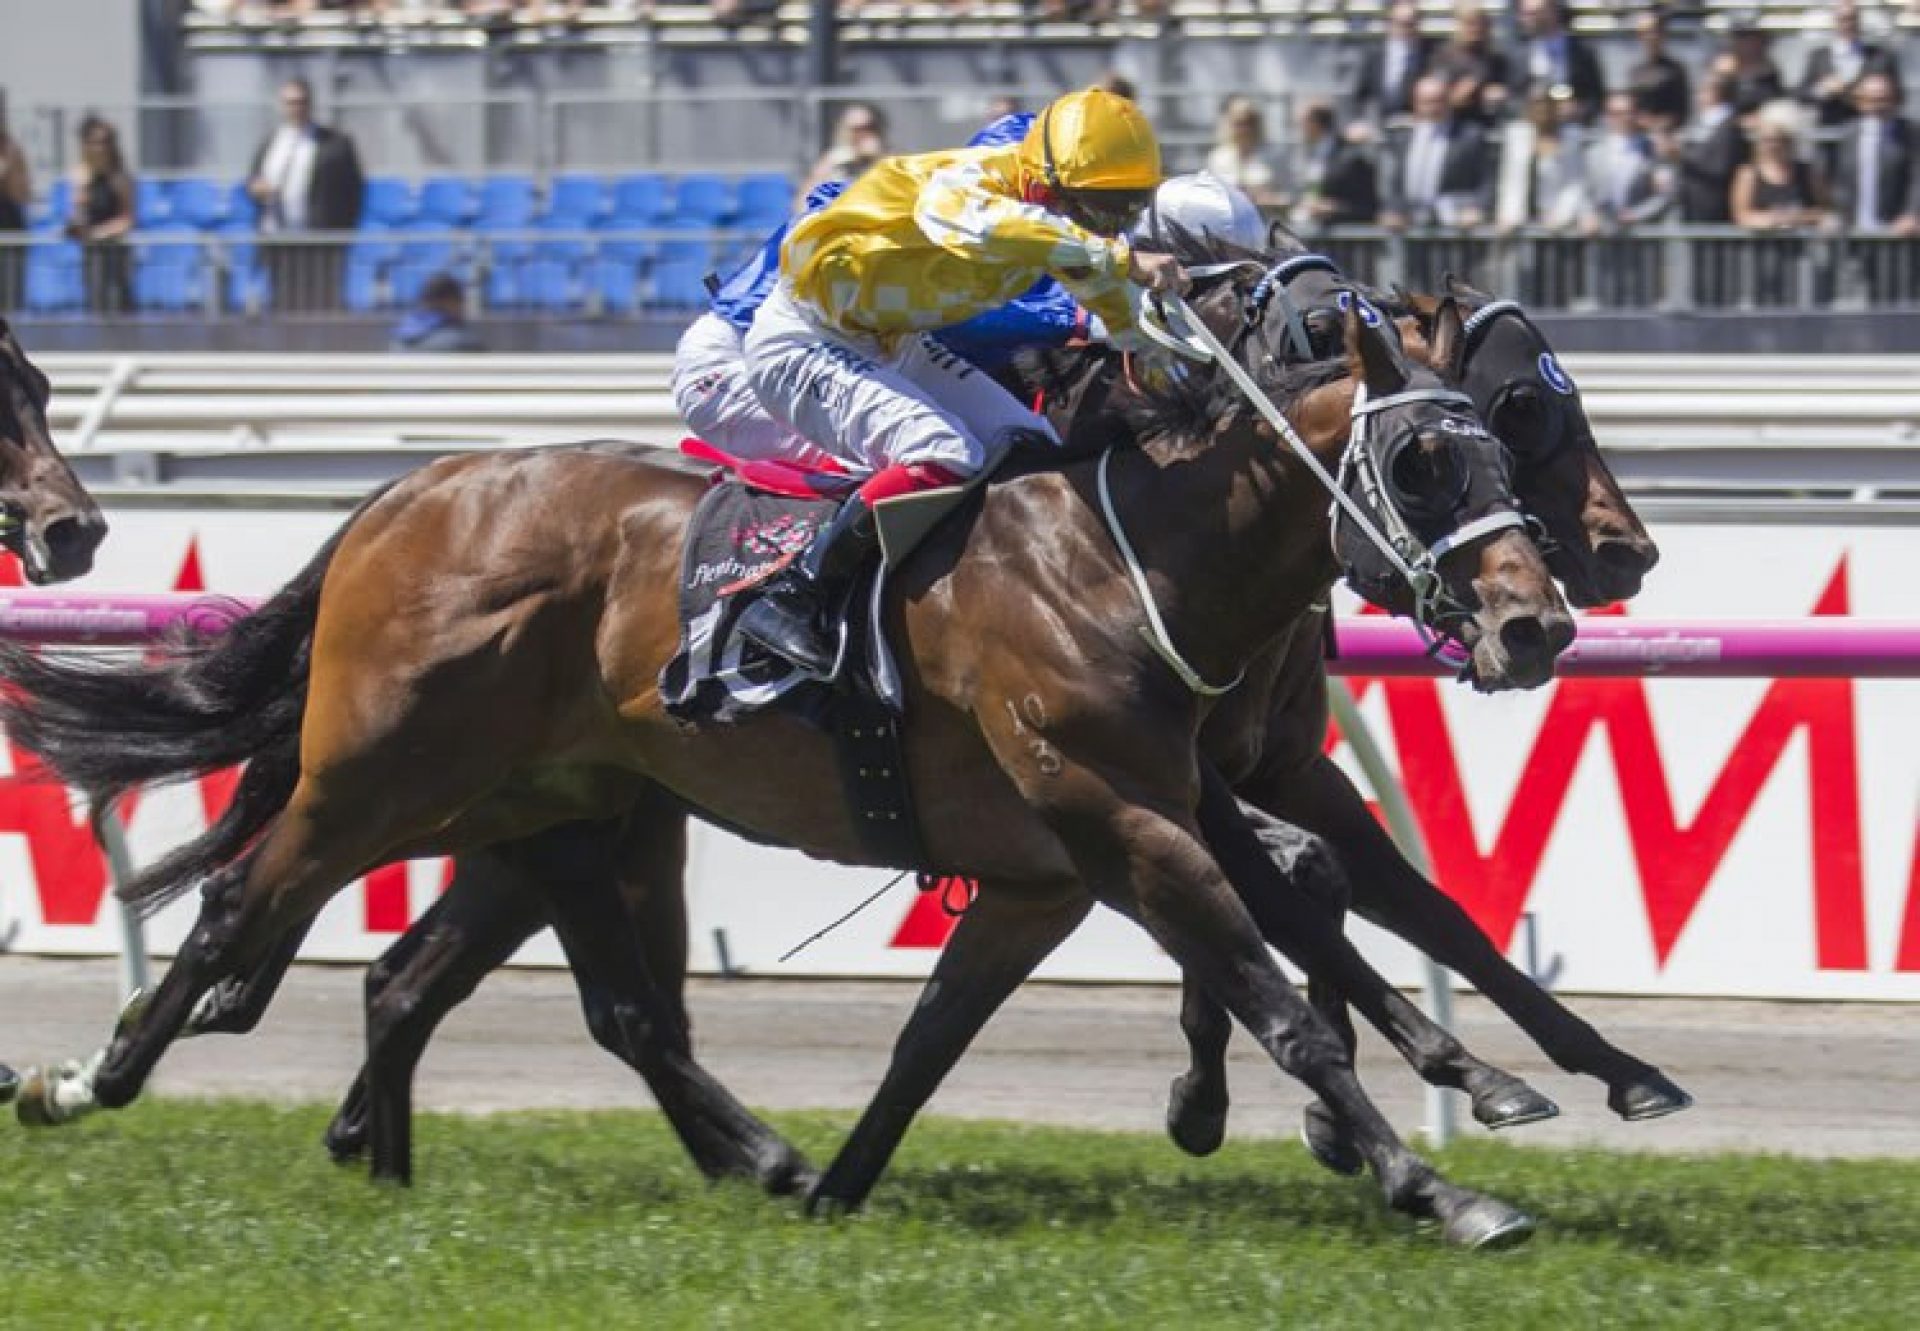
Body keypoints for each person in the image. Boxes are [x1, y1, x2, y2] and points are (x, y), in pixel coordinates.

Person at [736, 87, 1182, 675]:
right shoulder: (970, 184)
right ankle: (792, 596)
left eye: (1126, 209)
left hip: (893, 344)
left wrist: (1170, 373)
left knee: (1033, 446)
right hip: (804, 341)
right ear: (1044, 183)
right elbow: (990, 228)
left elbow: (1121, 314)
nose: (1115, 227)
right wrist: (1118, 257)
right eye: (1102, 209)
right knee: (945, 452)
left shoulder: (1063, 224)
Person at [247, 77, 365, 312]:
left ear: (310, 104)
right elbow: (253, 179)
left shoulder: (335, 144)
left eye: (300, 102)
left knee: (320, 304)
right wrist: (256, 188)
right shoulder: (271, 142)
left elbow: (354, 191)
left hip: (318, 239)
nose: (295, 108)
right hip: (277, 237)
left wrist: (341, 231)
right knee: (283, 303)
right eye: (290, 102)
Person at [1829, 72, 1920, 303]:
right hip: (1858, 232)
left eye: (1883, 98)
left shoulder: (1910, 133)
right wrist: (1838, 213)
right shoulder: (1850, 134)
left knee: (1897, 299)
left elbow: (1916, 178)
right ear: (1860, 102)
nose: (1878, 105)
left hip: (1896, 233)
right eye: (1870, 99)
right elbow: (1842, 180)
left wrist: (1912, 214)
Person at [1731, 101, 1831, 306]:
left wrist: (1797, 218)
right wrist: (1773, 221)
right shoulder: (1748, 174)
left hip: (1801, 258)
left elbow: (1825, 209)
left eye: (1780, 140)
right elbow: (1742, 215)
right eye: (1766, 140)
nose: (1773, 145)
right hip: (1760, 258)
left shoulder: (1807, 172)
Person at [1382, 74, 1494, 229]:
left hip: (1453, 223)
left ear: (1448, 101)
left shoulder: (1468, 136)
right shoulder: (1402, 137)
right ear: (1415, 103)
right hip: (1407, 225)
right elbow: (1393, 182)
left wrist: (1476, 208)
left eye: (1438, 101)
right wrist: (1392, 210)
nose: (1432, 108)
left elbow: (1485, 180)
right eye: (1425, 102)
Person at [65, 116, 135, 316]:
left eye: (104, 142)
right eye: (93, 142)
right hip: (91, 251)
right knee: (94, 303)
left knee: (117, 304)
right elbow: (76, 214)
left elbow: (127, 219)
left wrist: (99, 233)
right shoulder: (79, 176)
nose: (98, 148)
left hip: (114, 250)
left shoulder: (120, 177)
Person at [1799, 0, 1903, 129]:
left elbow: (1899, 95)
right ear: (1835, 22)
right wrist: (1822, 89)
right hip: (1830, 129)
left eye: (1852, 19)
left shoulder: (1881, 56)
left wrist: (1874, 94)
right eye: (1843, 19)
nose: (1848, 24)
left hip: (1870, 131)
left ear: (1859, 21)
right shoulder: (1819, 57)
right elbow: (1800, 94)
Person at [1288, 101, 1379, 230]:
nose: (1298, 129)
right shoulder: (1307, 155)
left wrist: (1334, 209)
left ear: (1315, 124)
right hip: (1312, 234)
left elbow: (1367, 206)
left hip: (1344, 239)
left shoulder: (1351, 158)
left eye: (1301, 123)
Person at [1516, 0, 1605, 124]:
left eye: (1533, 13)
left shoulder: (1583, 51)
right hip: (1534, 127)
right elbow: (1514, 95)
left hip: (1575, 126)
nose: (1525, 19)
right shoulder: (1520, 54)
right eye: (1524, 14)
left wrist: (1579, 109)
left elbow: (1597, 95)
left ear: (1552, 13)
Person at [1678, 70, 1748, 223]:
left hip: (1716, 208)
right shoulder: (1700, 125)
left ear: (1716, 93)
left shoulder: (1730, 127)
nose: (1698, 97)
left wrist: (1681, 156)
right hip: (1693, 207)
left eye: (1702, 91)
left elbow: (1720, 167)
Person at [1427, 2, 1511, 126]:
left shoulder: (1495, 59)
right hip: (1450, 122)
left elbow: (1507, 89)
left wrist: (1499, 93)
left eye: (1480, 24)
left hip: (1487, 119)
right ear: (1459, 25)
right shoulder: (1443, 57)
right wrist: (1456, 95)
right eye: (1470, 24)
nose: (1475, 29)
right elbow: (1438, 96)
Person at [1349, 1, 1431, 125]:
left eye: (1411, 24)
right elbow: (1360, 95)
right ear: (1390, 24)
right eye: (1401, 23)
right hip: (1378, 126)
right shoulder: (1374, 55)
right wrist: (1358, 122)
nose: (1406, 29)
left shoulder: (1429, 56)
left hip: (1416, 126)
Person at [1205, 97, 1284, 206]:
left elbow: (1288, 193)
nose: (1244, 129)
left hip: (1265, 217)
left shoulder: (1274, 155)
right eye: (1239, 123)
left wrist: (1273, 198)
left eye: (1249, 122)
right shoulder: (1217, 158)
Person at [799, 103, 889, 195]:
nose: (861, 134)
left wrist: (877, 158)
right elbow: (803, 203)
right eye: (855, 129)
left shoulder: (887, 160)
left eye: (868, 127)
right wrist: (831, 163)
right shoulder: (834, 160)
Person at [1625, 8, 1690, 132]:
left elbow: (1681, 111)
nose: (1650, 37)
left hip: (1667, 135)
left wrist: (1658, 125)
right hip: (1638, 133)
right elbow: (1631, 106)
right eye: (1644, 32)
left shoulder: (1675, 70)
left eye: (1654, 31)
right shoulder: (1635, 71)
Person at [389, 272, 485, 352]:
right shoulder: (463, 343)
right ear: (450, 302)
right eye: (461, 301)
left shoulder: (397, 341)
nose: (463, 308)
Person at [0, 95, 30, 310]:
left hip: (9, 230)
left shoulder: (12, 150)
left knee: (10, 303)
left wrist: (8, 168)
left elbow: (22, 195)